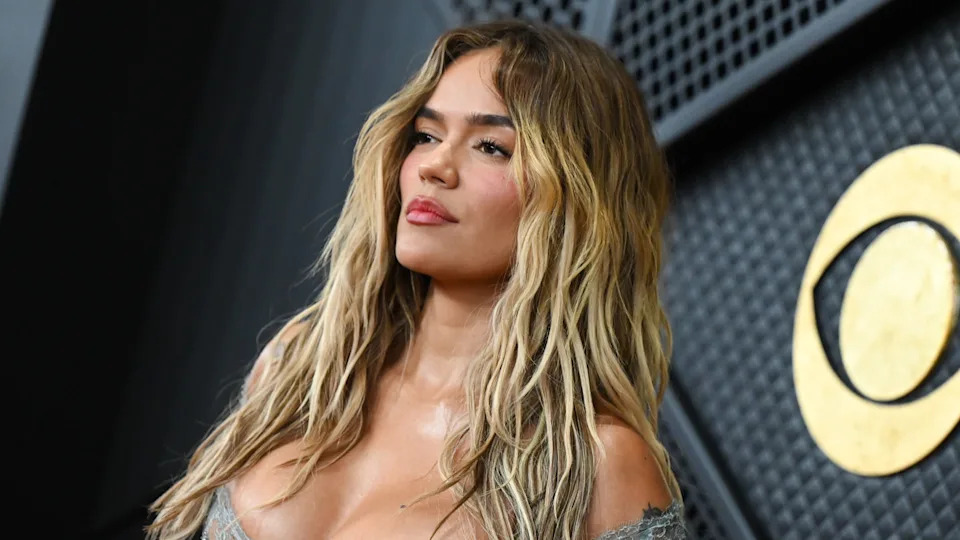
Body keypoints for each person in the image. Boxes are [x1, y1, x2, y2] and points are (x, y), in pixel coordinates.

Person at [148, 20, 687, 540]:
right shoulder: (298, 371)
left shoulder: (599, 464)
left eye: (491, 147)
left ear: (577, 198)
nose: (434, 166)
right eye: (426, 135)